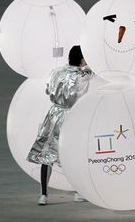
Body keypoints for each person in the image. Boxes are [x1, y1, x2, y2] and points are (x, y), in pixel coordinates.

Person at [26, 45, 93, 205]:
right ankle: (78, 191)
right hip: (72, 116)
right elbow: (81, 94)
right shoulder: (83, 75)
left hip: (54, 115)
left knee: (46, 154)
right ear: (82, 58)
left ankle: (43, 194)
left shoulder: (56, 71)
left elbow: (48, 90)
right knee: (75, 154)